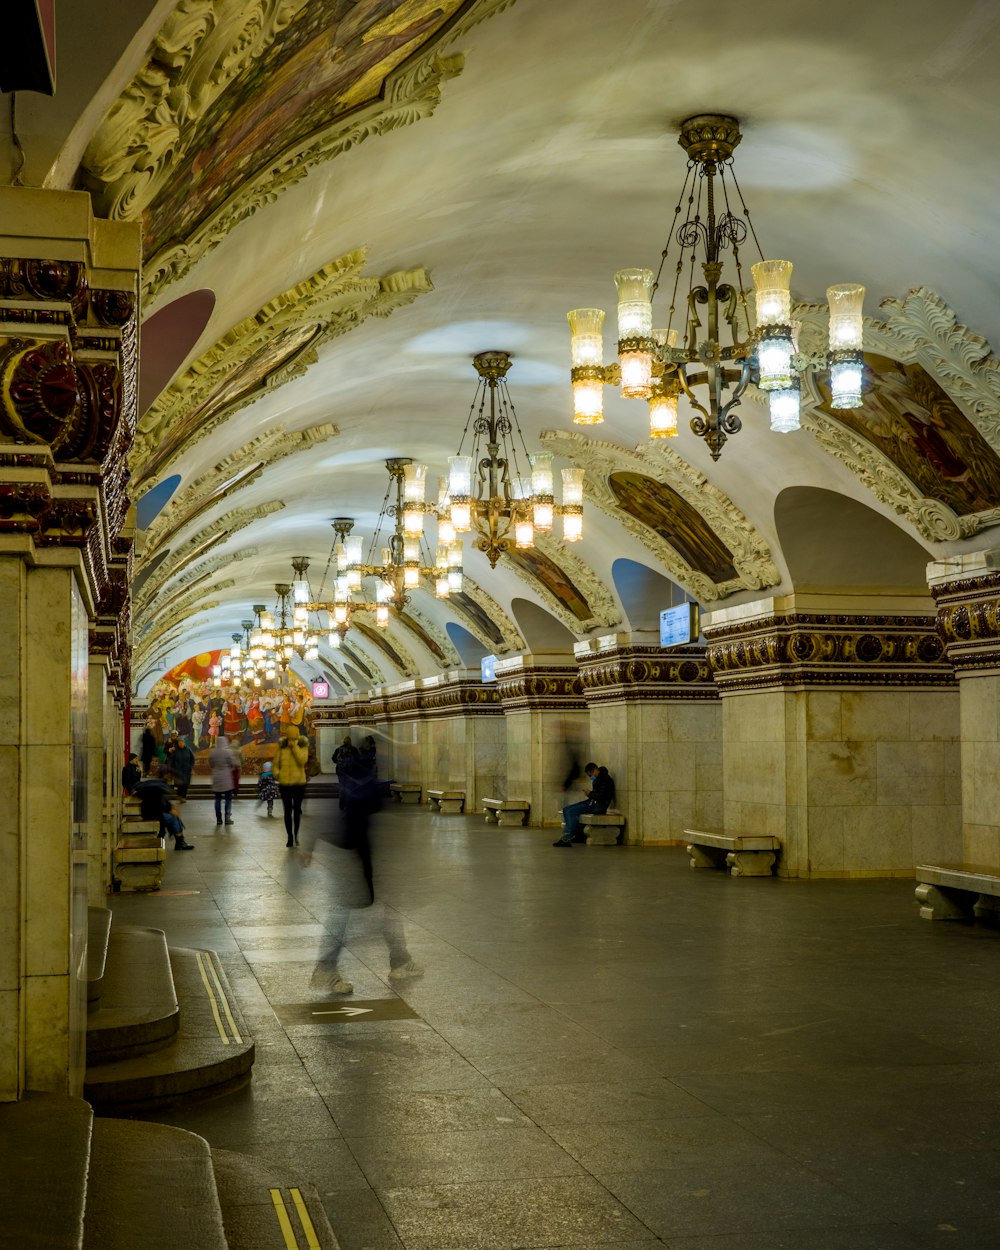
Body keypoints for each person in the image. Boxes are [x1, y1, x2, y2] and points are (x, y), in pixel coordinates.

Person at [298, 755, 421, 995]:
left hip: (351, 858)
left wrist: (309, 844)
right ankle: (327, 969)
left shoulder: (350, 789)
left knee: (376, 913)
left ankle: (400, 959)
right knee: (348, 916)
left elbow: (334, 820)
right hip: (354, 860)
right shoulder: (368, 790)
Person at [133, 760, 194, 851]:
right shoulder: (160, 786)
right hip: (151, 813)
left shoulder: (157, 783)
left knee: (173, 816)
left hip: (147, 811)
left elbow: (162, 801)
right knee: (174, 818)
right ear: (168, 776)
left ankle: (179, 841)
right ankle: (180, 842)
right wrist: (170, 809)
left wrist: (170, 807)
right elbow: (159, 803)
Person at [553, 761, 615, 846]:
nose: (590, 778)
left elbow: (602, 796)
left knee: (569, 811)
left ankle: (567, 838)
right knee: (567, 810)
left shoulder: (606, 780)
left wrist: (590, 793)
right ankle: (576, 835)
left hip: (598, 806)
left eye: (590, 775)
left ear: (593, 771)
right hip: (593, 803)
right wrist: (590, 794)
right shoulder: (599, 778)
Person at [273, 730, 309, 847]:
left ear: (297, 738)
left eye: (294, 739)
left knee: (297, 810)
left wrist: (295, 747)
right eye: (290, 739)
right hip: (285, 784)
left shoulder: (303, 747)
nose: (291, 741)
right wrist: (278, 774)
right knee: (287, 811)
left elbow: (302, 760)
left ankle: (296, 834)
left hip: (299, 784)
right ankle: (290, 837)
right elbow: (275, 764)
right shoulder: (282, 749)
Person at [209, 734, 237, 826]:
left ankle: (218, 819)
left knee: (217, 799)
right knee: (228, 798)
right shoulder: (228, 752)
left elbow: (211, 763)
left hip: (216, 777)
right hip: (226, 778)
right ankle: (227, 818)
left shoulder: (213, 752)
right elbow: (232, 763)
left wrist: (216, 768)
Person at [331, 734, 358, 810]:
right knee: (350, 788)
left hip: (341, 771)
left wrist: (340, 763)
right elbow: (357, 759)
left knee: (342, 788)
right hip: (351, 772)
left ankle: (342, 805)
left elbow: (333, 759)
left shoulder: (338, 749)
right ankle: (349, 804)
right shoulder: (354, 749)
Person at [164, 733, 194, 800]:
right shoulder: (175, 751)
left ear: (184, 743)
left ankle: (183, 797)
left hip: (186, 770)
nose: (181, 744)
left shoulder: (188, 750)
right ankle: (180, 795)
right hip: (178, 771)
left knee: (185, 784)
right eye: (180, 742)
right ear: (178, 743)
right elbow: (171, 760)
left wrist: (190, 766)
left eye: (182, 742)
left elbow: (192, 758)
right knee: (180, 785)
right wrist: (171, 769)